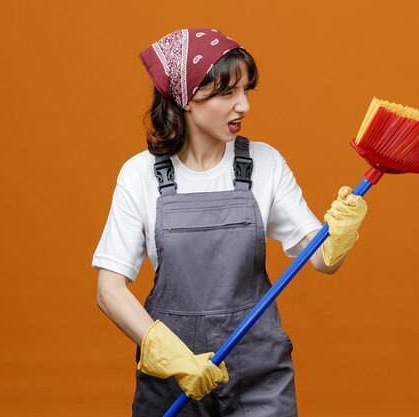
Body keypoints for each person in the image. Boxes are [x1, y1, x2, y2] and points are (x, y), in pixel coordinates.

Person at [92, 28, 368, 417]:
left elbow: (322, 260)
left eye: (246, 91)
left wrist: (339, 234)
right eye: (227, 93)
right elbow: (109, 289)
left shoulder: (265, 163)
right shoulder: (140, 175)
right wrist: (169, 355)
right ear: (185, 98)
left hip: (258, 378)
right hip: (173, 380)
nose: (244, 106)